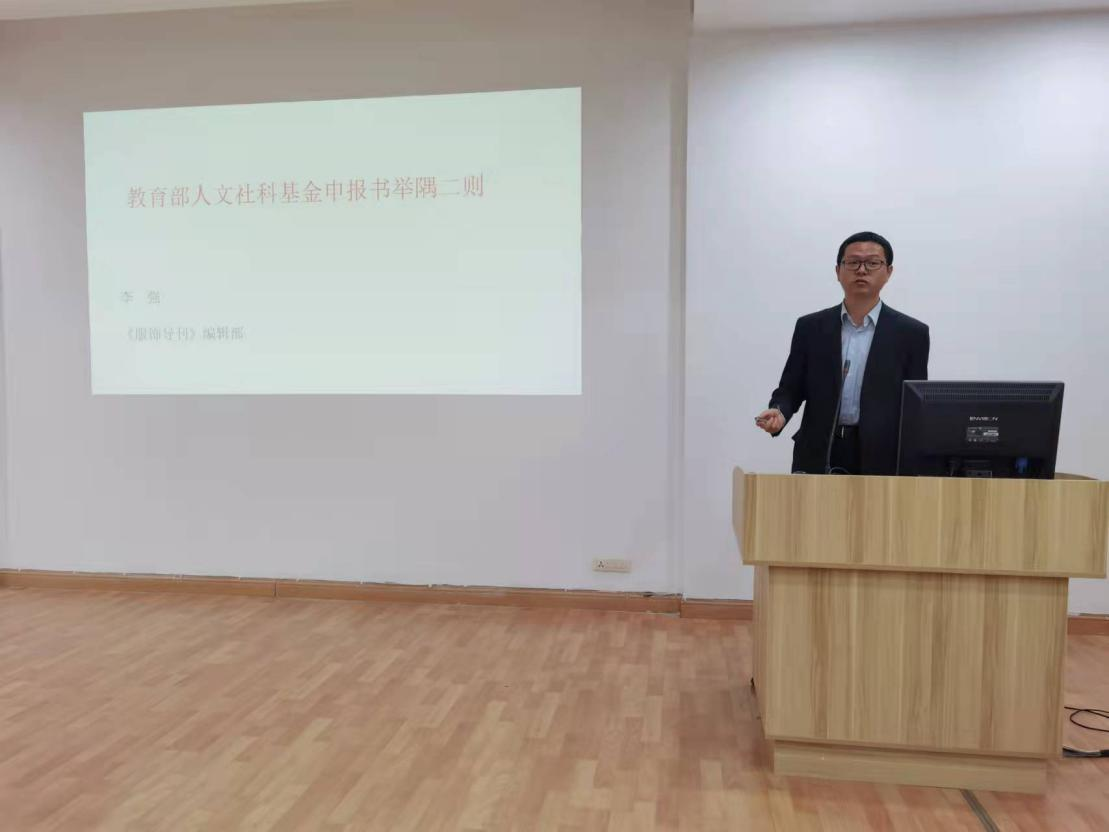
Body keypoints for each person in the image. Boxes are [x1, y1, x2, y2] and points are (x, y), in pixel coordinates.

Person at [754, 231, 929, 475]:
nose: (862, 270)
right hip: (820, 450)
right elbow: (791, 388)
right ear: (838, 271)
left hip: (883, 456)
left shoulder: (911, 334)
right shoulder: (811, 327)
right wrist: (780, 412)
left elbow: (914, 405)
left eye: (872, 263)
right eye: (853, 262)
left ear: (888, 272)